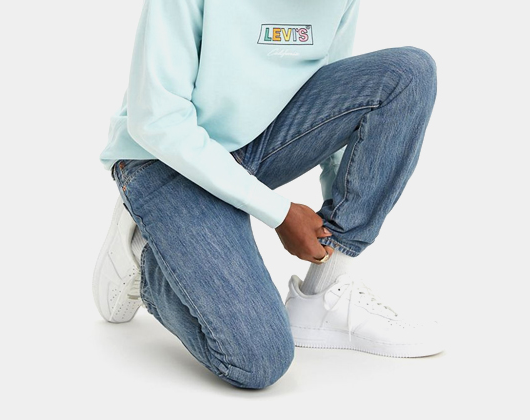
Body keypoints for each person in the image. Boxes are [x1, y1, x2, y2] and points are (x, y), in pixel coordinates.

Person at [93, 0, 442, 390]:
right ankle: (145, 255)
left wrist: (330, 239)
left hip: (260, 141)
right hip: (161, 160)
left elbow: (342, 104)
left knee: (409, 74)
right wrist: (279, 212)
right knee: (257, 360)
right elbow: (157, 122)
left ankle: (324, 292)